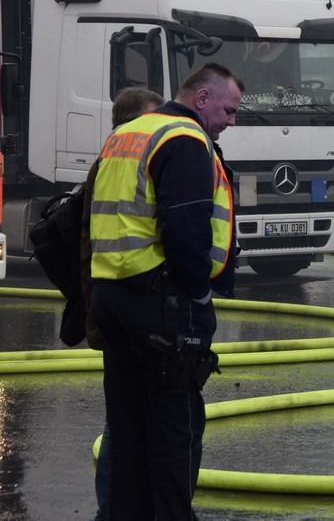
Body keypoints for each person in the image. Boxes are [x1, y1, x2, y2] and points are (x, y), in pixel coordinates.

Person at [89, 63, 242, 519]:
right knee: (176, 429)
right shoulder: (187, 140)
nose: (231, 122)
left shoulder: (129, 132)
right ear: (201, 99)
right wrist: (197, 295)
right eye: (229, 110)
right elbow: (185, 229)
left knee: (128, 429)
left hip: (111, 295)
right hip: (162, 303)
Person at [81, 86, 165, 521]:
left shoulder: (110, 161)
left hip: (110, 304)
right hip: (120, 303)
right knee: (122, 425)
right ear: (135, 120)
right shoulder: (115, 164)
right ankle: (110, 510)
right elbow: (91, 244)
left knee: (126, 420)